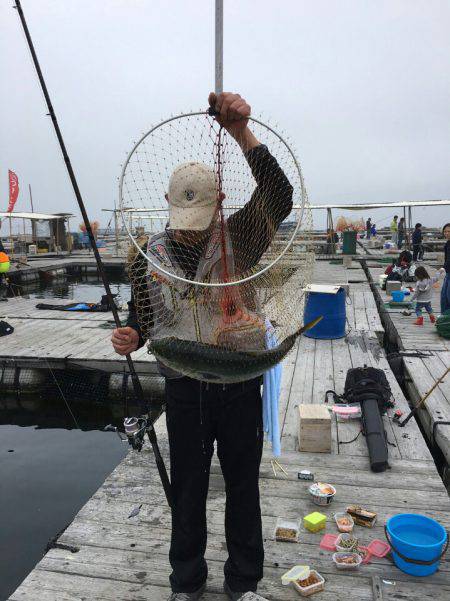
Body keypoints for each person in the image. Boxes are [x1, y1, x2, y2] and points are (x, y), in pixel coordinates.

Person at [111, 92, 293, 601]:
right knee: (187, 491)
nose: (191, 236)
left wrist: (240, 132)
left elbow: (278, 194)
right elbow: (143, 321)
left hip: (237, 382)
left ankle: (244, 583)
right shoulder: (145, 259)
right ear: (170, 209)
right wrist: (131, 336)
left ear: (217, 210)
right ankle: (185, 582)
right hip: (184, 390)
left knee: (243, 488)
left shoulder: (242, 238)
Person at [441, 222, 450, 314]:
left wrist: (443, 268)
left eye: (449, 231)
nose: (446, 233)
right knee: (444, 296)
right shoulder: (447, 243)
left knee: (448, 295)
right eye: (445, 231)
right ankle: (445, 316)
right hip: (448, 273)